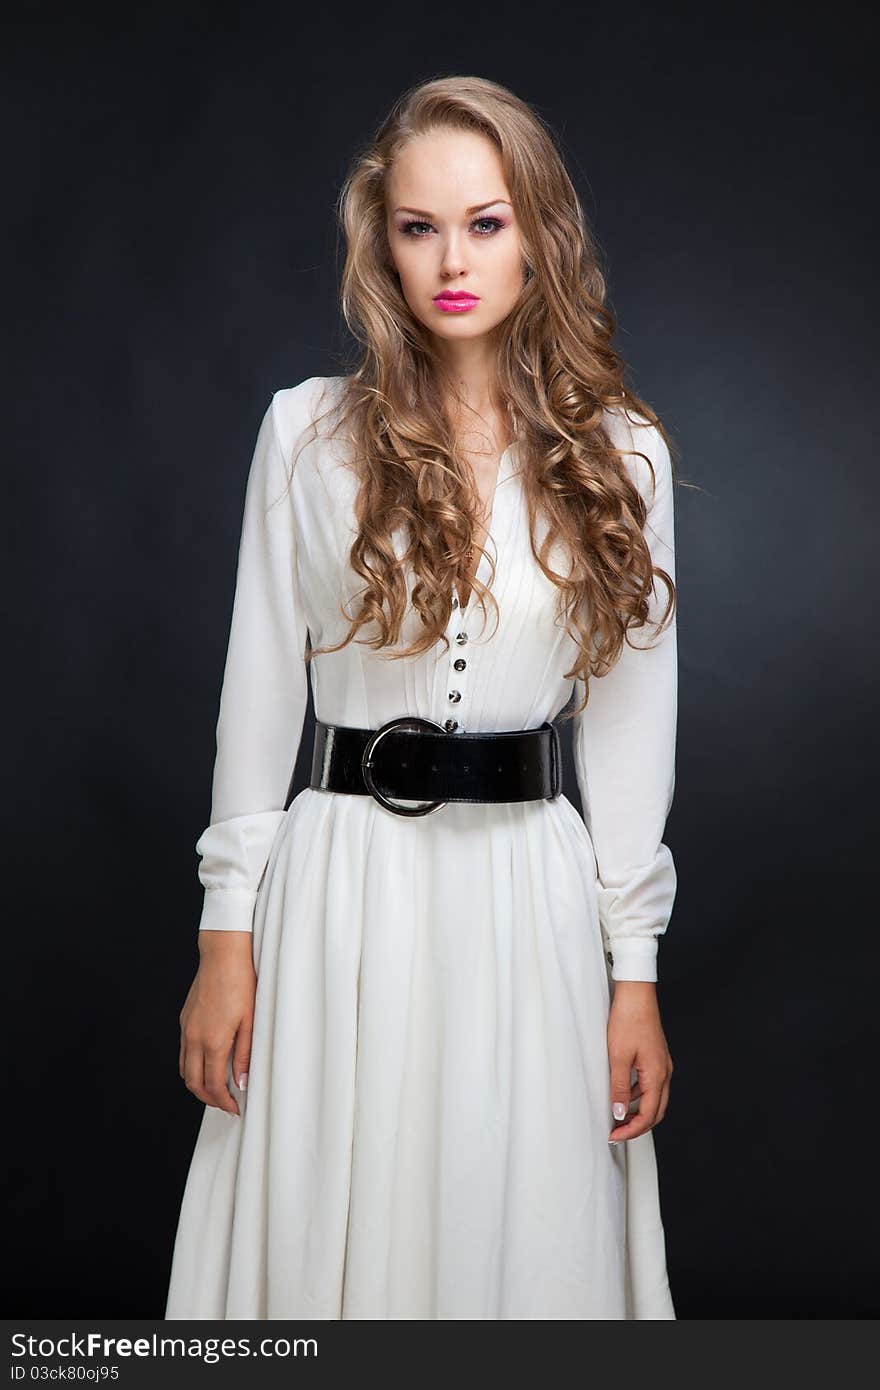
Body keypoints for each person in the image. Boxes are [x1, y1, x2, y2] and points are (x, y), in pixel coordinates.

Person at [165, 74, 678, 1321]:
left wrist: (635, 970)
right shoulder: (304, 435)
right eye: (418, 226)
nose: (452, 259)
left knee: (519, 1232)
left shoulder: (623, 456)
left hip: (529, 901)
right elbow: (253, 697)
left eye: (485, 223)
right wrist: (223, 935)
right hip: (340, 891)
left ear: (537, 234)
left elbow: (625, 733)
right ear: (379, 241)